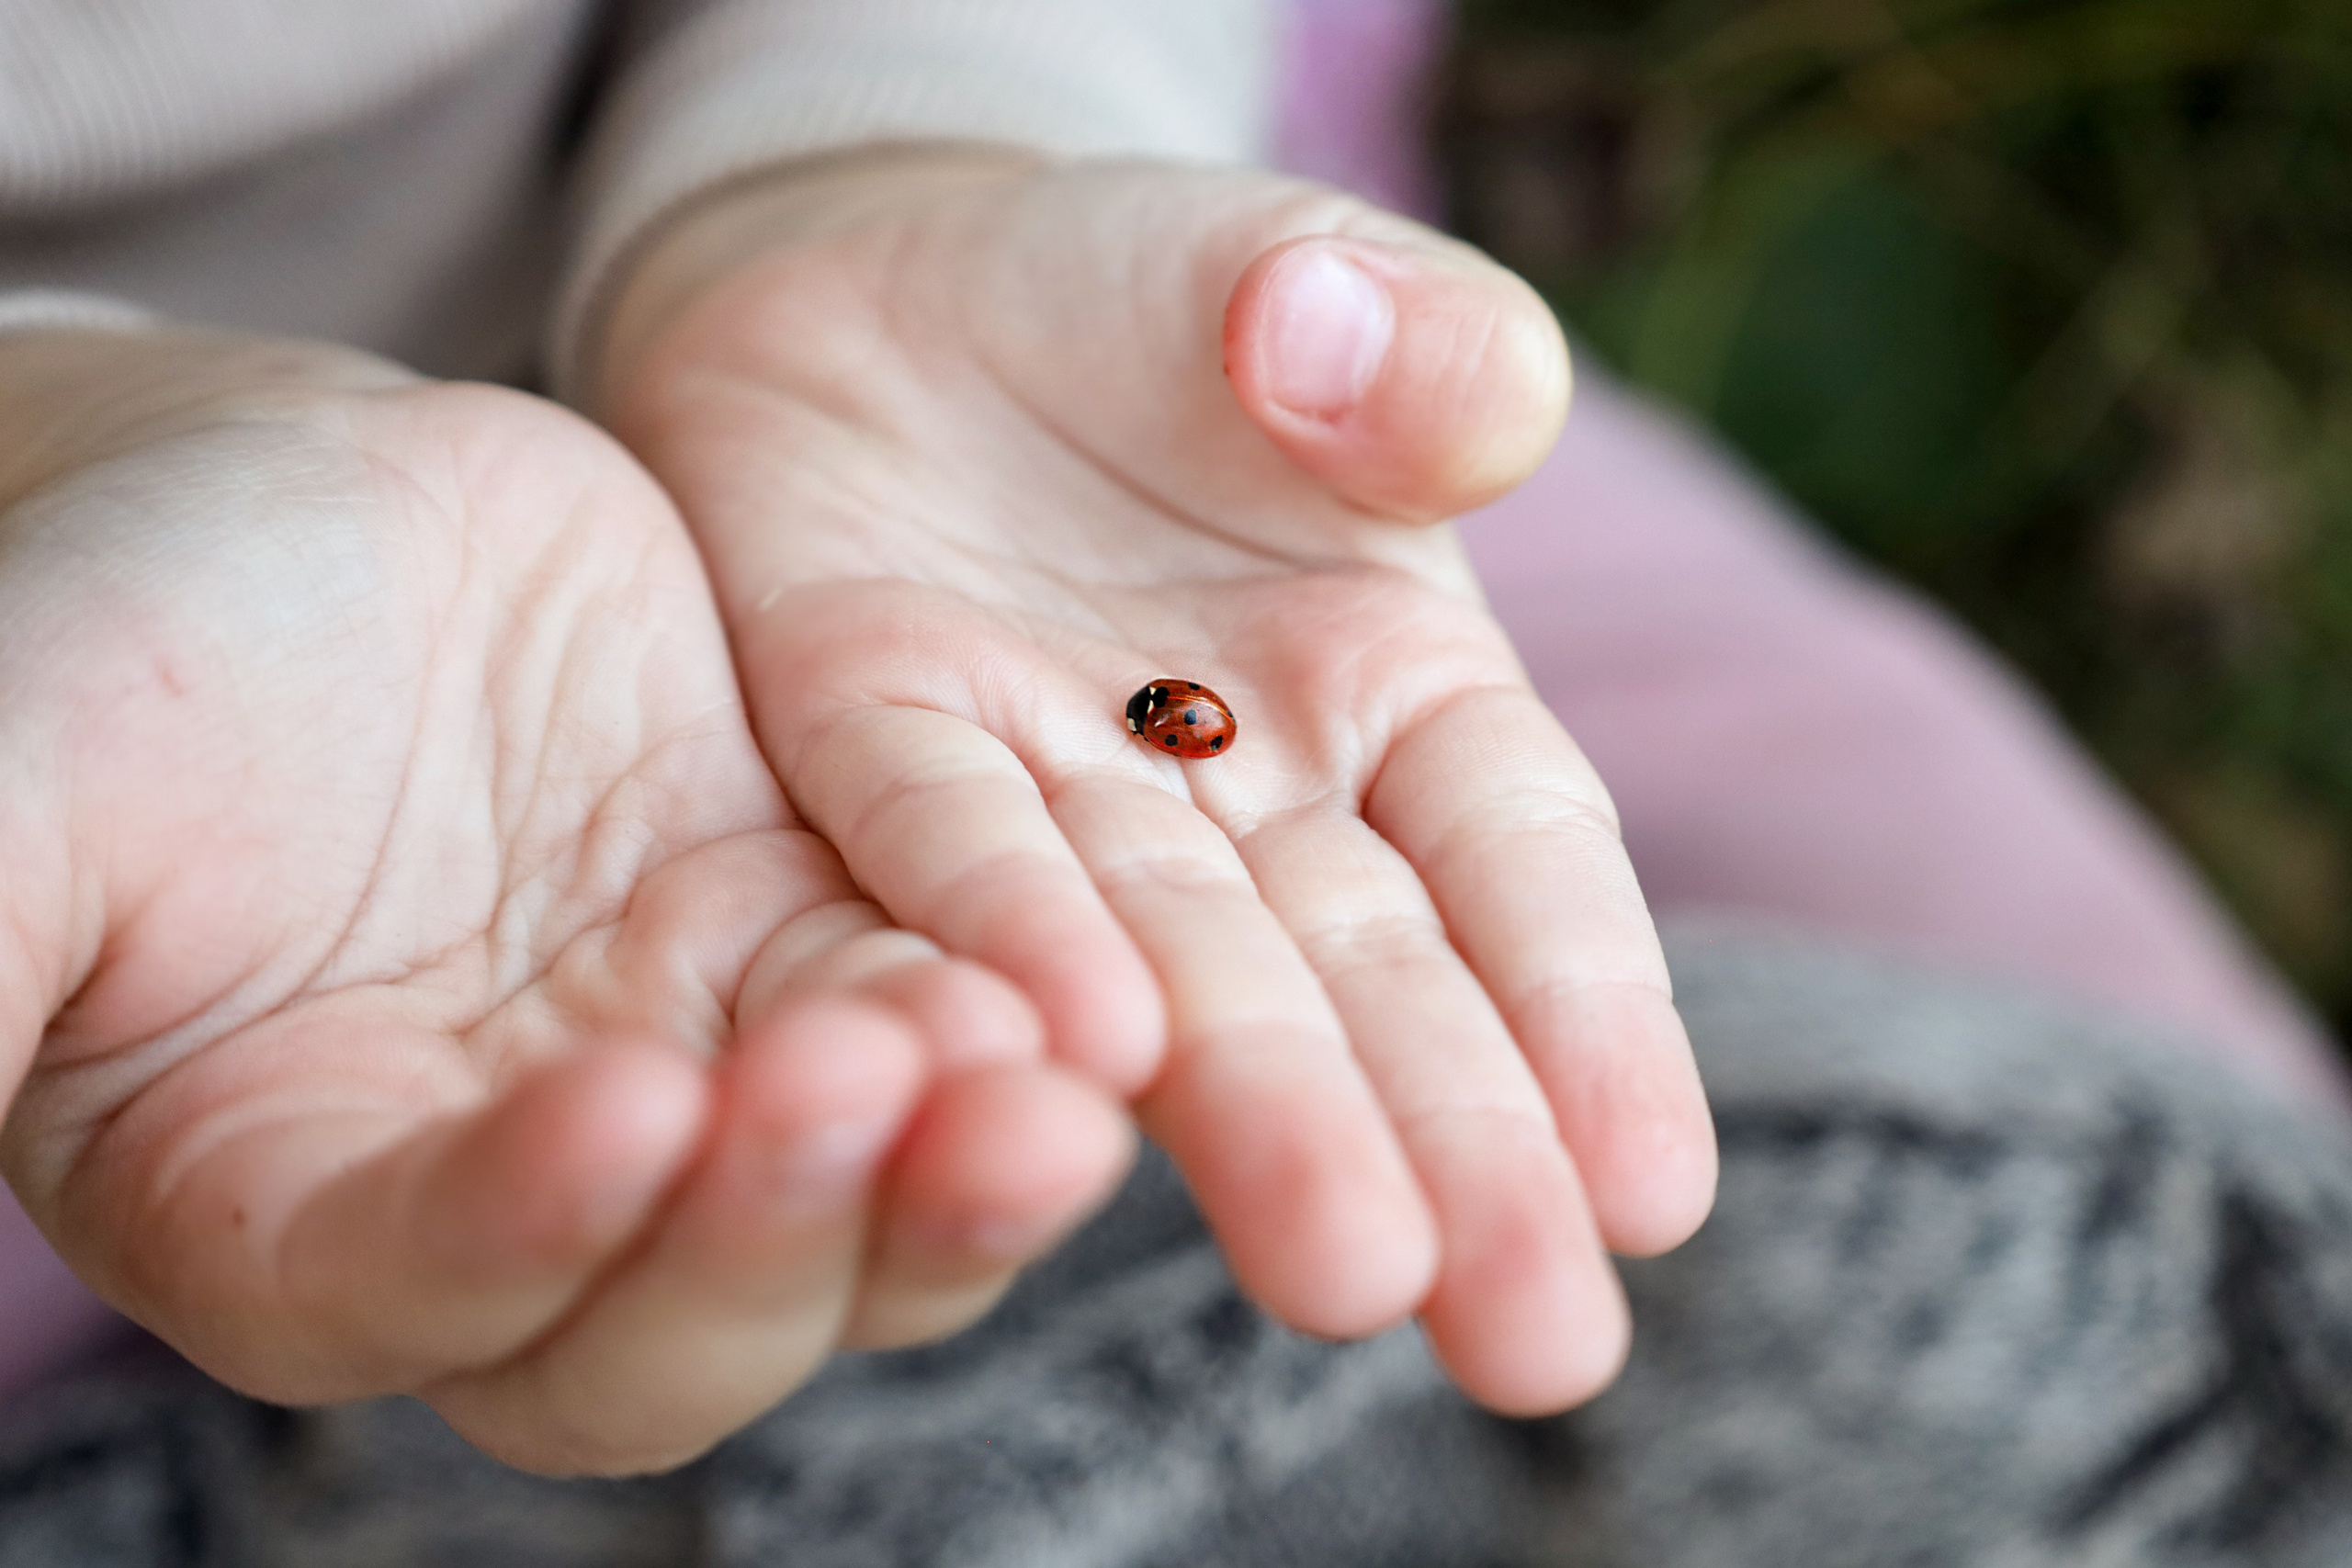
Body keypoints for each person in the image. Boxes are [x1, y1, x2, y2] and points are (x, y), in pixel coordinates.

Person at [6, 1, 2352, 1560]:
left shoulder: (1166, 643)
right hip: (159, 641)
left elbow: (1195, 694)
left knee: (2109, 1158)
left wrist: (888, 159)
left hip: (1001, 379)